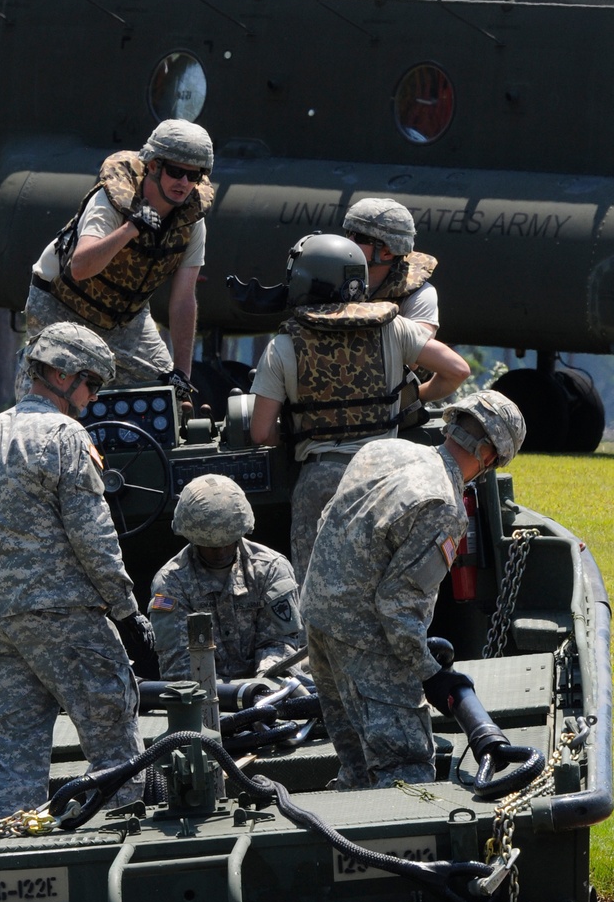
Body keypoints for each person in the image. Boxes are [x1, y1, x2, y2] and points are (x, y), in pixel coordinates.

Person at [0, 322, 155, 818]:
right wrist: (126, 611)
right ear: (61, 374)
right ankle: (122, 847)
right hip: (68, 619)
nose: (93, 398)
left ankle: (12, 862)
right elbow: (93, 536)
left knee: (17, 763)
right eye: (91, 383)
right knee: (115, 749)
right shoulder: (66, 436)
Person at [299, 391, 526, 789]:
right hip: (365, 639)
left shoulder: (385, 451)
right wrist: (431, 673)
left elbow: (328, 525)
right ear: (488, 455)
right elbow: (397, 608)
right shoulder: (443, 505)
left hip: (318, 620)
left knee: (355, 762)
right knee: (405, 769)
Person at [248, 233, 470, 581]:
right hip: (386, 477)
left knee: (314, 593)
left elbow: (261, 432)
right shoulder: (393, 327)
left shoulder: (283, 344)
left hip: (321, 480)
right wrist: (418, 397)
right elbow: (458, 370)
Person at [15, 119, 215, 400]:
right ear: (154, 166)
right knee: (52, 397)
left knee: (168, 396)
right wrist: (131, 228)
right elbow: (81, 267)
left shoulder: (191, 223)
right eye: (175, 171)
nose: (183, 183)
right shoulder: (109, 201)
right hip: (62, 305)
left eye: (192, 176)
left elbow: (183, 300)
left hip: (125, 318)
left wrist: (182, 373)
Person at [149, 474, 302, 680]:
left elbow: (279, 644)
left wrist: (262, 685)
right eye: (211, 545)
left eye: (228, 542)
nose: (220, 552)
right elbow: (178, 663)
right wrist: (227, 695)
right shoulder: (170, 583)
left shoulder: (271, 569)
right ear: (192, 538)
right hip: (205, 696)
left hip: (268, 688)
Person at [342, 198, 439, 333]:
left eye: (360, 238)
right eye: (349, 233)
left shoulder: (417, 296)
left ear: (387, 253)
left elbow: (419, 347)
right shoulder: (326, 277)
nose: (348, 241)